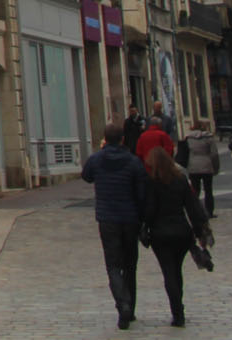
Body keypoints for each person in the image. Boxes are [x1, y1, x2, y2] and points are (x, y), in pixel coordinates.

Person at [81, 121, 148, 330]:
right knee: (130, 265)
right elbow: (141, 192)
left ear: (105, 139)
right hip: (129, 218)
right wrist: (144, 218)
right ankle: (130, 307)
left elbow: (86, 175)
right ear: (122, 139)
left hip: (107, 218)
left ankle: (122, 304)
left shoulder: (97, 159)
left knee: (113, 265)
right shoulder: (133, 161)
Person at [139, 146, 211, 328]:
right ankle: (179, 307)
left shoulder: (152, 182)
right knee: (176, 271)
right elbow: (193, 207)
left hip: (160, 234)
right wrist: (199, 230)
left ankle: (177, 311)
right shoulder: (181, 180)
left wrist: (144, 226)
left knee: (168, 271)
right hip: (181, 232)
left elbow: (148, 211)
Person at [176, 118, 219, 218]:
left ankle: (195, 210)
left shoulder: (188, 138)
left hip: (193, 166)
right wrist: (215, 167)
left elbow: (185, 152)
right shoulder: (209, 138)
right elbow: (214, 154)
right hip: (207, 165)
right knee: (208, 190)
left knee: (195, 190)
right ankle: (209, 211)